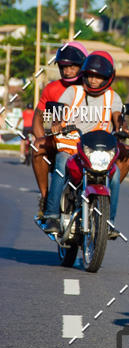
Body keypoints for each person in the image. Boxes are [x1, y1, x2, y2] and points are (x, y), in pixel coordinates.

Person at [43, 51, 129, 240]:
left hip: (99, 149)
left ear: (107, 78)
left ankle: (108, 222)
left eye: (99, 76)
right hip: (72, 146)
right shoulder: (73, 92)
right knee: (61, 164)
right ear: (84, 75)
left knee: (114, 175)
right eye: (90, 75)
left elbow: (118, 118)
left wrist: (126, 131)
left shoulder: (113, 97)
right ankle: (52, 216)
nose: (94, 80)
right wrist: (57, 123)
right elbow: (60, 112)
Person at [32, 40, 88, 217]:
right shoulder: (52, 89)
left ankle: (104, 202)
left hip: (87, 144)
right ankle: (45, 198)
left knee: (125, 155)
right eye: (63, 67)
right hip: (61, 141)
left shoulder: (94, 86)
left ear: (83, 65)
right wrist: (42, 138)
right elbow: (38, 117)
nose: (67, 71)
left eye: (72, 66)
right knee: (37, 147)